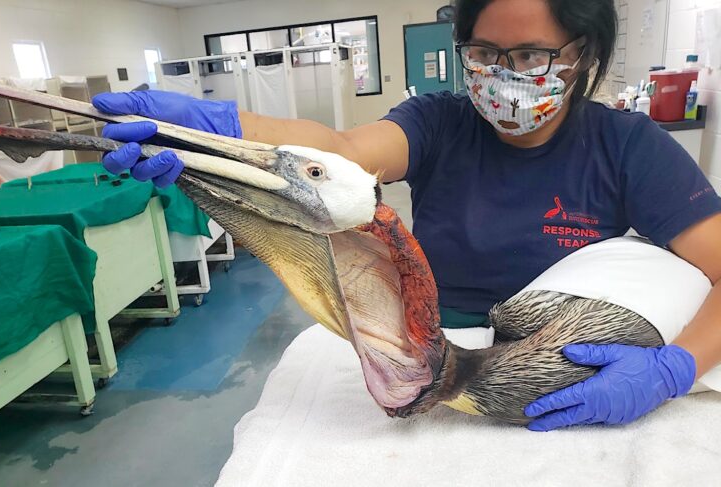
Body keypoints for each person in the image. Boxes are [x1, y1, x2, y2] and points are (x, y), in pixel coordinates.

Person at [92, 0, 721, 432]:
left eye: (531, 55)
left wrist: (677, 367)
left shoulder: (629, 147)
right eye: (485, 52)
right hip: (428, 354)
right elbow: (337, 154)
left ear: (582, 53)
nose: (505, 77)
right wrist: (215, 132)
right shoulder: (439, 124)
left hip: (560, 360)